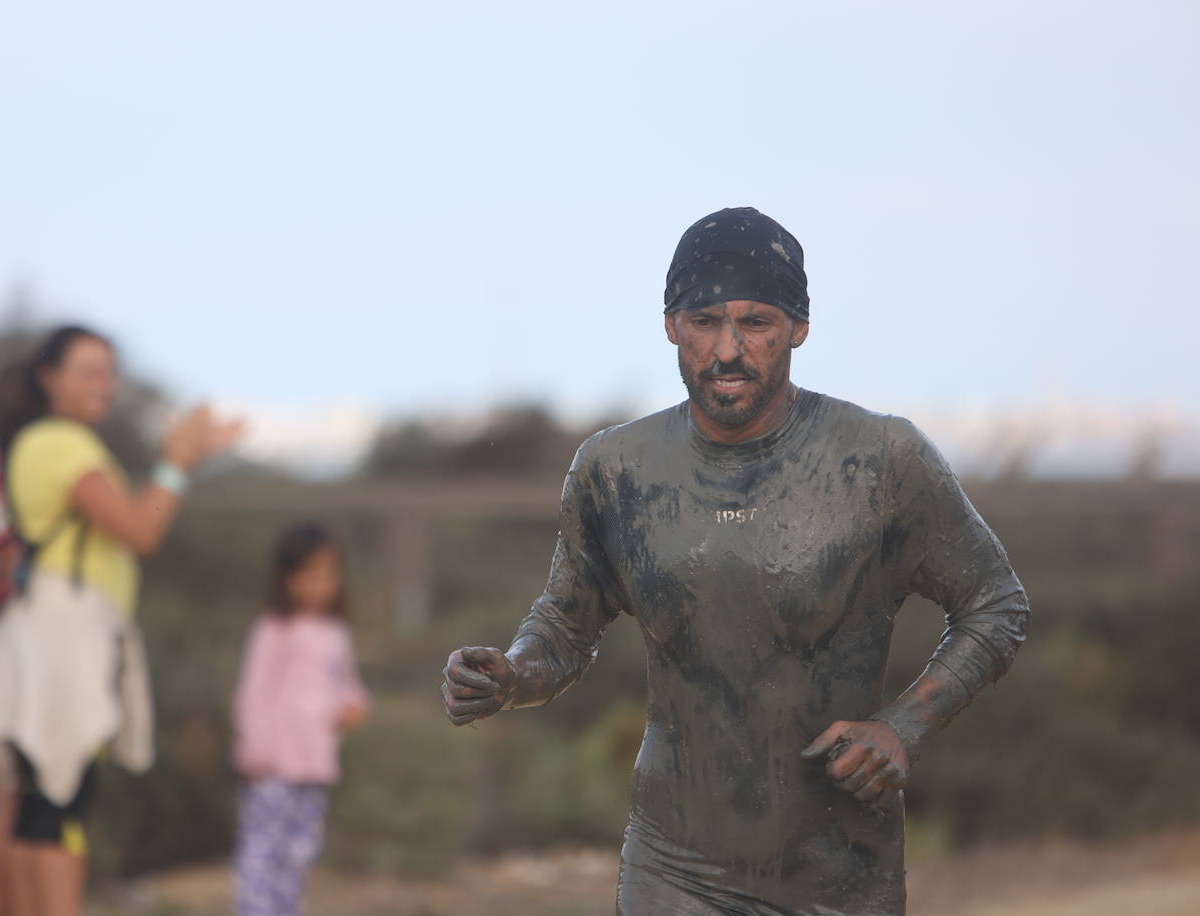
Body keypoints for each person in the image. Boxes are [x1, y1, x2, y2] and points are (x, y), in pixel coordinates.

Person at [440, 207, 1030, 916]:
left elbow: (996, 604)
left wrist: (902, 725)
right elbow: (565, 631)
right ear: (670, 325)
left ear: (798, 330)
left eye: (756, 324)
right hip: (673, 867)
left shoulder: (878, 461)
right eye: (704, 321)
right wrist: (509, 675)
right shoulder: (616, 469)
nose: (727, 350)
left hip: (838, 876)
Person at [0, 324, 241, 916]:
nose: (105, 385)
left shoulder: (41, 444)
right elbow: (141, 529)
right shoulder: (62, 445)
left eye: (109, 372)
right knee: (58, 808)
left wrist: (184, 461)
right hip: (60, 642)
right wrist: (176, 462)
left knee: (30, 807)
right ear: (50, 378)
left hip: (38, 639)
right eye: (89, 371)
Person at [232, 522, 370, 916]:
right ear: (286, 579)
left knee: (299, 852)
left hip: (316, 763)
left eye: (327, 574)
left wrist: (354, 705)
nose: (319, 585)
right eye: (308, 575)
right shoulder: (275, 630)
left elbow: (346, 683)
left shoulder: (336, 632)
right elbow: (253, 692)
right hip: (273, 764)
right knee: (262, 851)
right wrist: (254, 750)